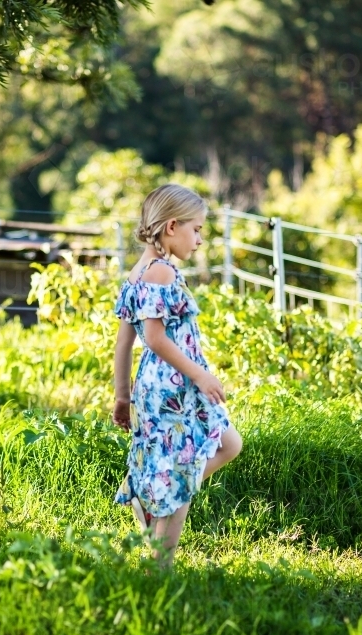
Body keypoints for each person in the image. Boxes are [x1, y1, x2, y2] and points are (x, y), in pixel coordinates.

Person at [112, 183, 243, 568]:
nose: (200, 240)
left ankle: (152, 499)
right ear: (172, 226)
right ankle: (160, 565)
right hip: (175, 386)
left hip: (163, 387)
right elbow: (152, 338)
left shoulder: (138, 272)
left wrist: (122, 396)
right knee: (183, 471)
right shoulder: (161, 273)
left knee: (228, 443)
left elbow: (123, 345)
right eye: (197, 229)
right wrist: (201, 375)